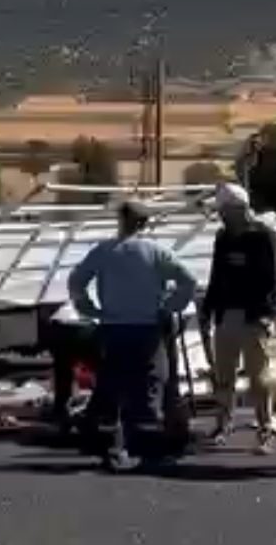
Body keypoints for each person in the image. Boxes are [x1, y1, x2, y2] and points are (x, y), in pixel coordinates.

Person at [67, 198, 196, 471]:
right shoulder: (156, 252)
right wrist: (170, 306)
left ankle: (113, 448)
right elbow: (188, 281)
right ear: (144, 223)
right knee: (149, 387)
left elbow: (76, 280)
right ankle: (147, 451)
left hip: (113, 328)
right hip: (147, 329)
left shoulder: (103, 251)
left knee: (113, 388)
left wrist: (88, 308)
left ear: (121, 221)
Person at [199, 182, 276, 454]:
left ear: (237, 209)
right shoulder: (223, 238)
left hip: (253, 317)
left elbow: (274, 280)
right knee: (224, 376)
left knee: (259, 378)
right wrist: (208, 308)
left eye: (223, 210)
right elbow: (216, 275)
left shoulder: (263, 236)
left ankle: (265, 430)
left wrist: (265, 314)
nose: (220, 216)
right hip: (226, 315)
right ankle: (223, 424)